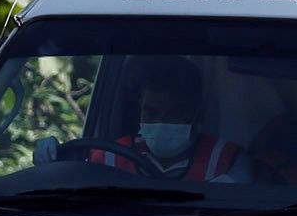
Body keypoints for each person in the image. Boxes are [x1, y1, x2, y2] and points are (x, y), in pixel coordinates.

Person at [94, 58, 245, 181]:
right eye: (151, 113)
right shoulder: (109, 158)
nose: (161, 123)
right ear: (139, 110)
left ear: (197, 114)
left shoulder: (225, 160)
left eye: (174, 113)